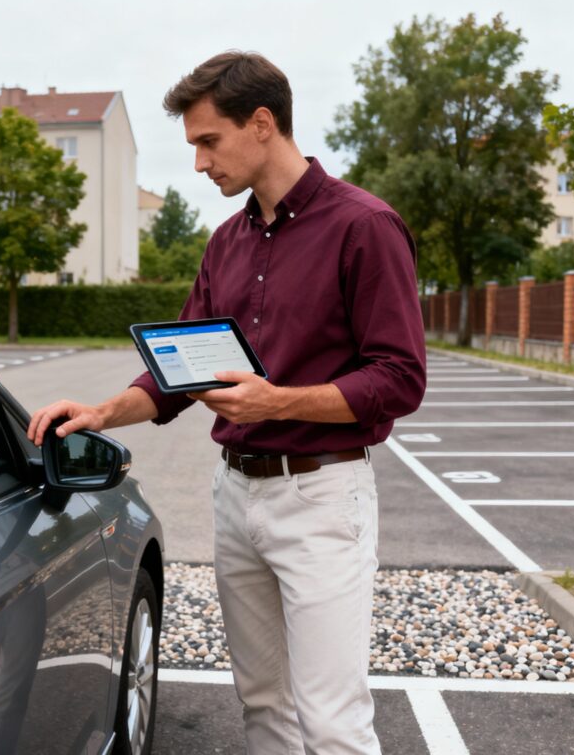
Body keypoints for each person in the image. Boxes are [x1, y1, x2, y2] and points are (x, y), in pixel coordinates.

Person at [28, 51, 426, 754]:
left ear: (263, 124)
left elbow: (399, 377)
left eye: (208, 141)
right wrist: (99, 413)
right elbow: (176, 373)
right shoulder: (226, 243)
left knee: (332, 720)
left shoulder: (364, 227)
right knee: (264, 705)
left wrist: (278, 403)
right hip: (235, 497)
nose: (199, 163)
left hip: (322, 498)